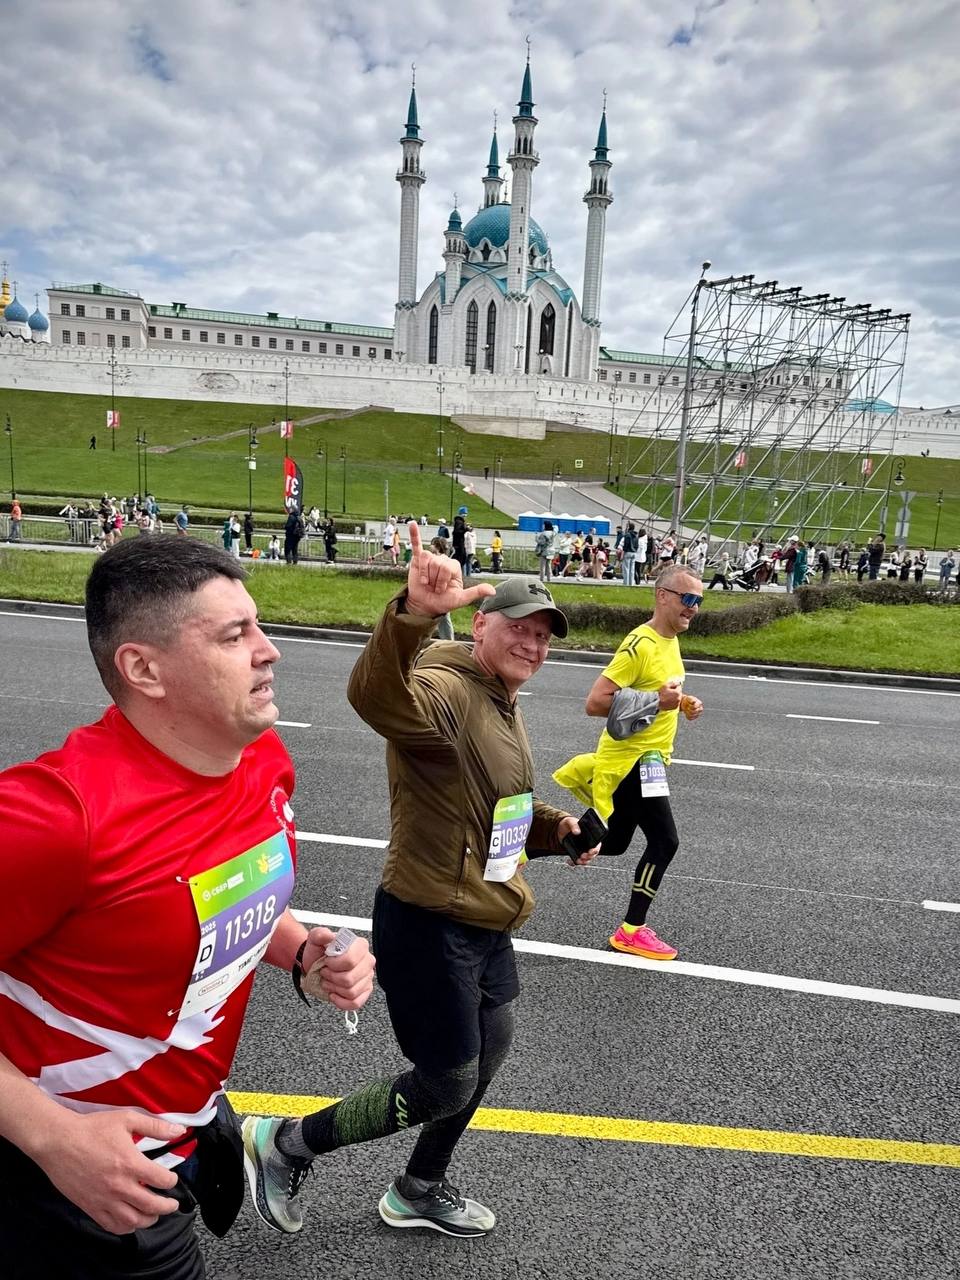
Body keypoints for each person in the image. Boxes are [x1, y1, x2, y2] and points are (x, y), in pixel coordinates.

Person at [0, 536, 374, 1277]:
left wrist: (301, 948)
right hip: (63, 1183)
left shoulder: (260, 760)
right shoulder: (57, 817)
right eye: (234, 636)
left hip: (184, 1135)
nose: (270, 651)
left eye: (258, 625)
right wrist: (49, 1136)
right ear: (144, 669)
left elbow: (213, 896)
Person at [242, 527, 599, 1240]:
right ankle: (284, 1143)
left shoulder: (498, 698)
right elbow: (376, 695)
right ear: (481, 624)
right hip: (431, 917)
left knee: (486, 1055)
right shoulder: (445, 688)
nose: (532, 644)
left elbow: (492, 808)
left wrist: (556, 830)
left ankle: (418, 1189)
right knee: (446, 1081)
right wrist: (411, 614)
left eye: (543, 636)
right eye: (519, 628)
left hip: (485, 914)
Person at [554, 564, 704, 961]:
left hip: (649, 759)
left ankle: (520, 853)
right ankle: (631, 931)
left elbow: (659, 695)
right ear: (662, 596)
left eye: (699, 601)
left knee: (615, 842)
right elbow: (595, 702)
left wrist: (682, 704)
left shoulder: (670, 641)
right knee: (665, 841)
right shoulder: (640, 644)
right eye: (688, 598)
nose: (694, 607)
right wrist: (659, 701)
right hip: (632, 761)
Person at [621, 522, 639, 587]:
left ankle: (626, 583)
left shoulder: (627, 535)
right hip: (634, 552)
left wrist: (623, 553)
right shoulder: (636, 535)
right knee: (632, 569)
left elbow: (626, 545)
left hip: (628, 552)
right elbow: (637, 545)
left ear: (629, 527)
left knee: (626, 569)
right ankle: (631, 583)